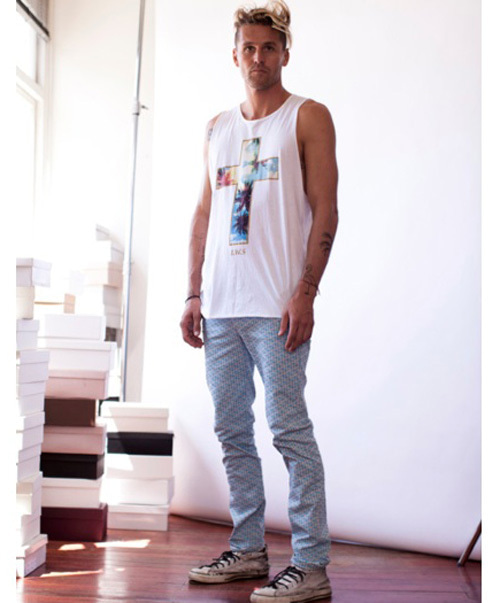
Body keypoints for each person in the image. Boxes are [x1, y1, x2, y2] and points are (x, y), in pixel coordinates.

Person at [180, 1, 338, 601]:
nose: (258, 57)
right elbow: (203, 213)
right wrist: (193, 292)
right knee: (231, 430)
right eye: (248, 47)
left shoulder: (307, 116)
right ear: (235, 54)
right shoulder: (217, 128)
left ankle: (311, 564)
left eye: (269, 47)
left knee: (289, 429)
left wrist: (306, 292)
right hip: (220, 307)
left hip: (277, 306)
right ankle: (247, 549)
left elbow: (327, 209)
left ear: (285, 53)